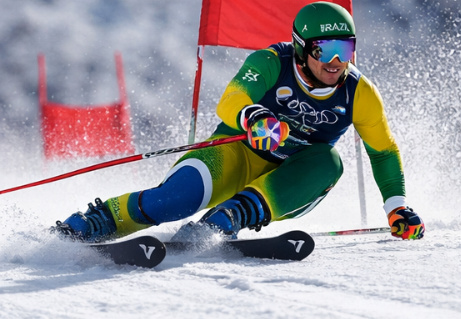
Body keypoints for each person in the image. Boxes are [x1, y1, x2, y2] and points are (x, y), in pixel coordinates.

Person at [55, 1, 425, 243]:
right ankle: (96, 221)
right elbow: (231, 101)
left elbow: (383, 151)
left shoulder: (359, 92)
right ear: (301, 48)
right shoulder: (271, 62)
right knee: (175, 200)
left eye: (345, 49)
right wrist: (255, 116)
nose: (336, 62)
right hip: (235, 150)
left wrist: (396, 205)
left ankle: (229, 218)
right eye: (324, 50)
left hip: (291, 178)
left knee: (329, 160)